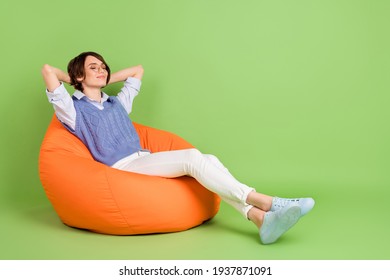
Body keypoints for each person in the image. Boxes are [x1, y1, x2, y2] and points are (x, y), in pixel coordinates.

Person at [42, 51, 315, 245]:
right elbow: (47, 71)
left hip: (145, 159)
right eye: (94, 67)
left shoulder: (117, 104)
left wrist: (100, 79)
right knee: (193, 158)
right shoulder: (73, 110)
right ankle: (267, 202)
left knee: (208, 158)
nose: (101, 70)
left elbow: (137, 70)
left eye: (104, 66)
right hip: (121, 167)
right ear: (78, 74)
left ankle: (258, 219)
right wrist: (76, 79)